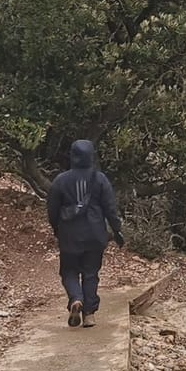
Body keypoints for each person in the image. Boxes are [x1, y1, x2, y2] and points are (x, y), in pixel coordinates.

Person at [46, 139, 124, 327]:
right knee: (91, 273)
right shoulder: (100, 179)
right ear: (91, 156)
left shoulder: (61, 180)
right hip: (95, 235)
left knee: (69, 271)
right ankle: (89, 314)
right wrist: (117, 229)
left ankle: (75, 299)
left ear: (72, 156)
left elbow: (52, 210)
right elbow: (110, 208)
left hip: (69, 235)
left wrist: (57, 228)